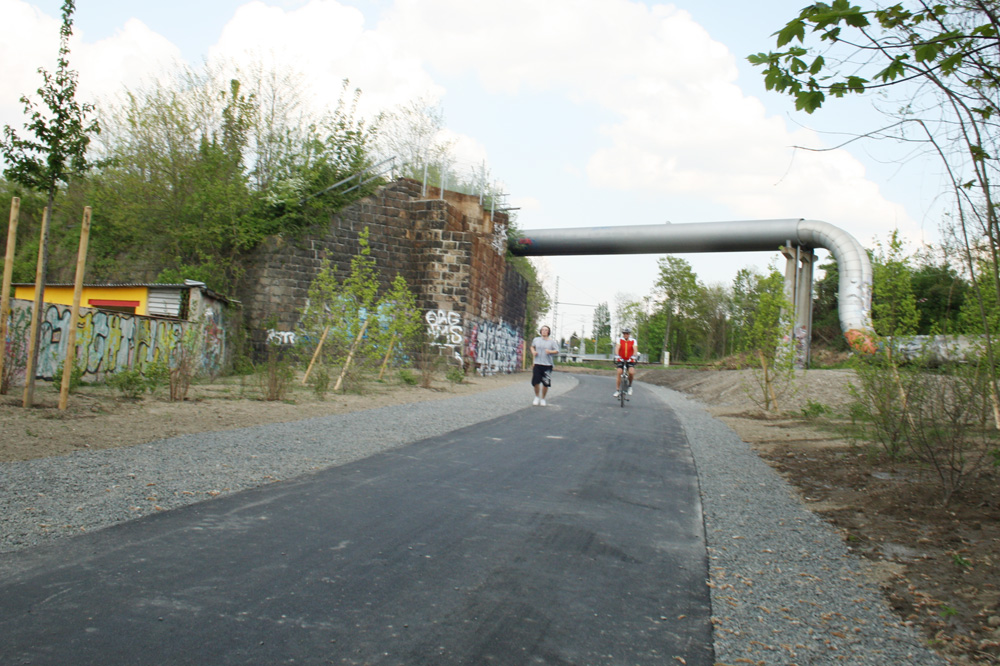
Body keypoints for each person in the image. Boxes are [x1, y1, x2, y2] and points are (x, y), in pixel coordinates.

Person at [530, 325, 560, 406]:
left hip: (547, 365)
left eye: (546, 330)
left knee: (545, 383)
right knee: (535, 382)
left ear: (548, 332)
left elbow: (557, 351)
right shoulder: (536, 340)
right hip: (537, 364)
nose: (544, 331)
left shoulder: (552, 342)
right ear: (540, 331)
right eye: (542, 330)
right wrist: (533, 351)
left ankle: (543, 398)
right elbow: (532, 347)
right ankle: (536, 397)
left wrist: (550, 351)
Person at [613, 328, 638, 398]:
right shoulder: (620, 340)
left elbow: (635, 349)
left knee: (631, 372)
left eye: (627, 334)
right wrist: (617, 355)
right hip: (621, 358)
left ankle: (630, 386)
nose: (625, 335)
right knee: (619, 372)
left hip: (630, 359)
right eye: (624, 333)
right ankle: (617, 390)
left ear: (629, 334)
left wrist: (634, 356)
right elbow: (617, 348)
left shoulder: (633, 341)